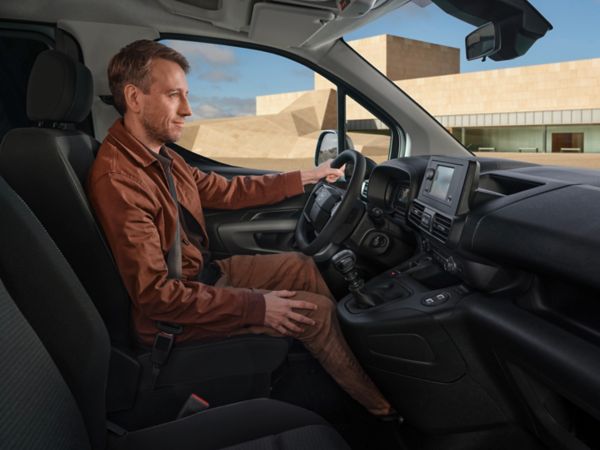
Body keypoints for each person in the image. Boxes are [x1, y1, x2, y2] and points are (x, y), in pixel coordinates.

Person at [87, 40, 393, 416]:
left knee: (300, 265)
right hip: (170, 317)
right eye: (173, 96)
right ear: (134, 98)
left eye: (186, 95)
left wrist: (309, 176)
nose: (188, 109)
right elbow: (155, 296)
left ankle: (331, 368)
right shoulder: (119, 179)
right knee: (314, 314)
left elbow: (227, 190)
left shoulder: (161, 157)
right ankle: (384, 412)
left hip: (202, 277)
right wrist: (257, 307)